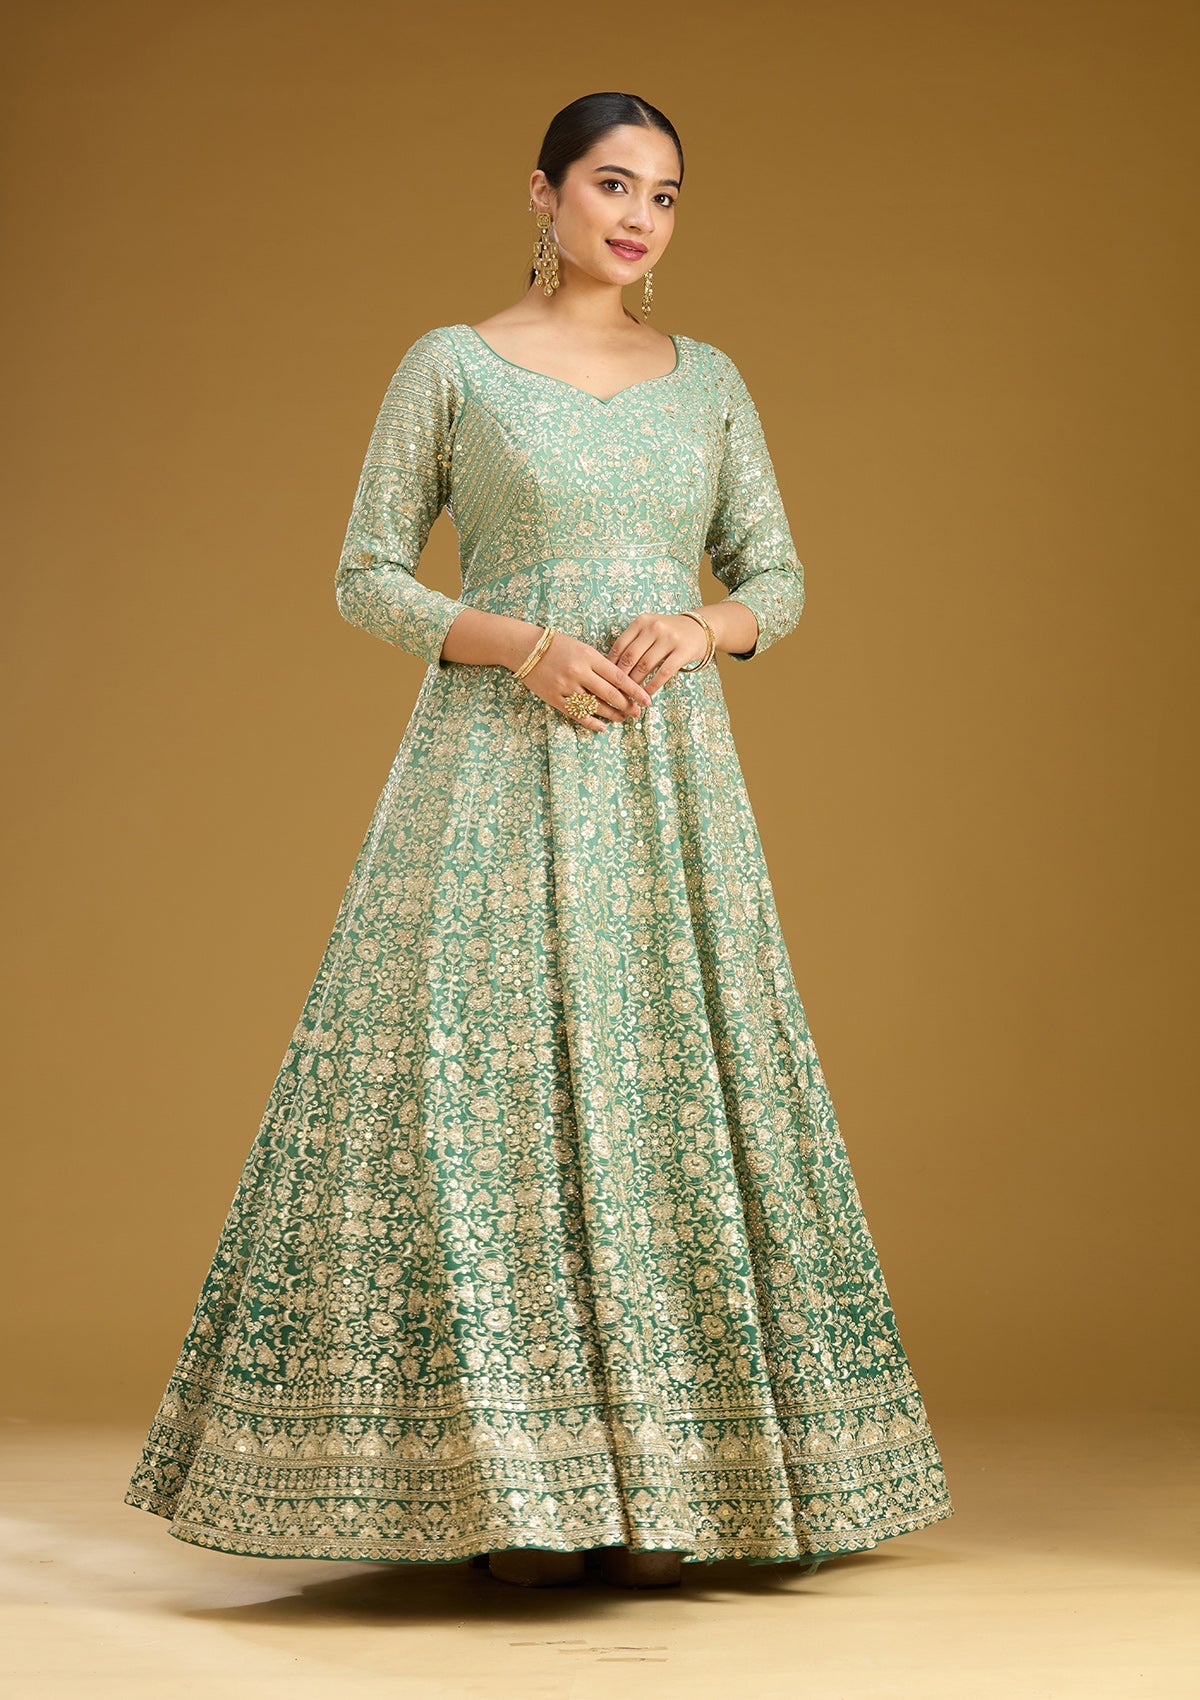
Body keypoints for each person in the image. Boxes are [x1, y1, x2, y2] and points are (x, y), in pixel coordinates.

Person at [125, 91, 954, 1592]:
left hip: (664, 781)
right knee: (477, 1091)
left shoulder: (711, 382)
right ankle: (506, 1490)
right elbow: (365, 574)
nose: (639, 218)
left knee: (664, 1085)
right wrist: (520, 644)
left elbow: (778, 577)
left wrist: (700, 627)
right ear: (544, 192)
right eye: (612, 184)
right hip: (494, 766)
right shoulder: (451, 367)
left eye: (666, 195)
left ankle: (672, 1485)